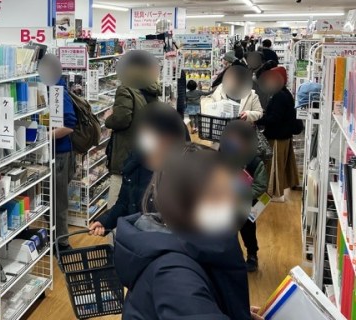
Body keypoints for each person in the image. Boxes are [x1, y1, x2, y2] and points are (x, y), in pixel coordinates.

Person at [114, 145, 263, 320]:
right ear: (182, 201)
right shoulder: (175, 276)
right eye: (217, 194)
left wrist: (224, 309)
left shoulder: (186, 241)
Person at [89, 103, 186, 236]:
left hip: (164, 244)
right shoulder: (135, 163)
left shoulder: (184, 174)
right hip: (136, 240)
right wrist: (105, 221)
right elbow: (124, 203)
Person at [105, 50, 161, 206]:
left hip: (126, 149)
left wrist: (108, 118)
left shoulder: (126, 89)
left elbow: (121, 119)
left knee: (117, 195)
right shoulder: (151, 88)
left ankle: (113, 222)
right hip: (144, 148)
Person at [219, 120, 268, 272]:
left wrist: (243, 195)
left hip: (245, 204)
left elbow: (260, 185)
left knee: (248, 230)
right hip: (226, 201)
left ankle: (252, 254)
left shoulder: (255, 163)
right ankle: (229, 255)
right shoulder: (223, 157)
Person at [256, 66, 300, 202]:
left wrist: (257, 120)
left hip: (277, 137)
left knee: (273, 167)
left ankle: (272, 196)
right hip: (283, 136)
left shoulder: (279, 96)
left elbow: (274, 119)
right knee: (278, 166)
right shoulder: (283, 93)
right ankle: (273, 194)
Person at [53, 73, 78, 252]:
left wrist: (44, 137)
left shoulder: (58, 90)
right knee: (53, 198)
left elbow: (69, 125)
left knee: (58, 199)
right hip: (54, 153)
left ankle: (62, 244)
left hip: (60, 153)